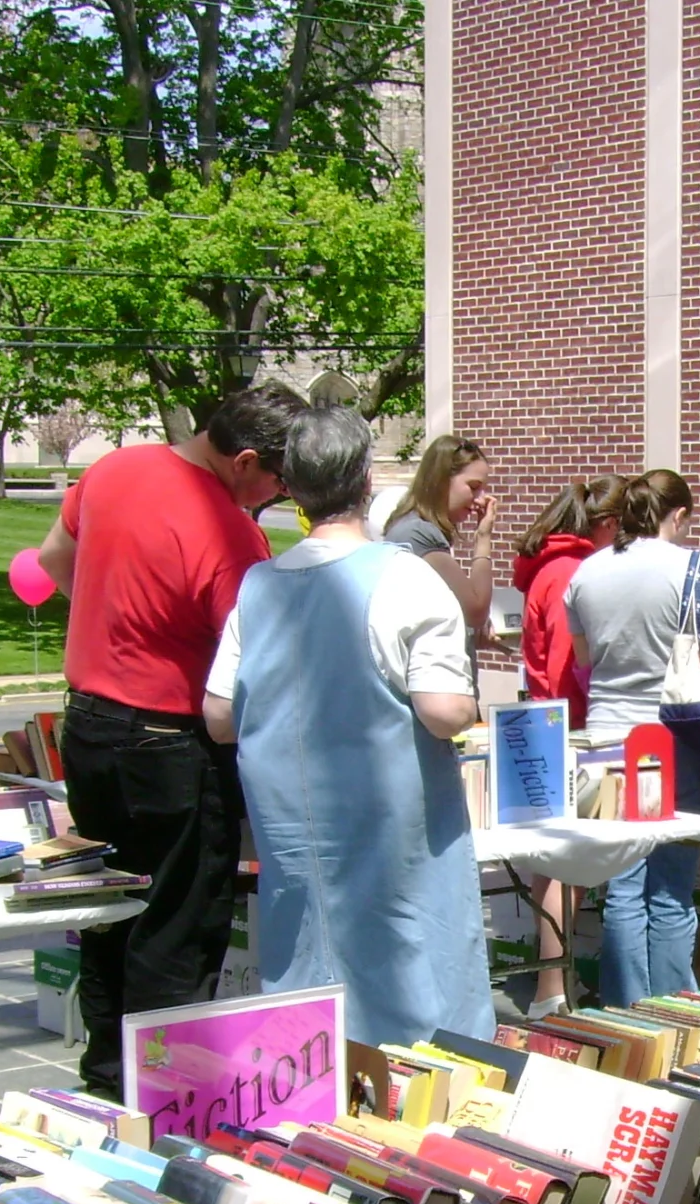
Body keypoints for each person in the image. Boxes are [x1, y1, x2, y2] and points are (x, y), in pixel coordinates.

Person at [36, 382, 304, 1098]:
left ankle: (102, 1081)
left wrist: (112, 615)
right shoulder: (229, 532)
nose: (278, 495)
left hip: (90, 727)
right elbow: (251, 662)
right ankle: (157, 1098)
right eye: (278, 480)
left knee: (109, 910)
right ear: (245, 460)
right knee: (176, 925)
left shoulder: (116, 468)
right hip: (171, 744)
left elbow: (55, 556)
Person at [203, 407, 495, 1046]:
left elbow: (220, 717)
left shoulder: (258, 587)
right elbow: (444, 711)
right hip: (395, 851)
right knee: (418, 1024)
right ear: (366, 481)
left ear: (290, 485)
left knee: (311, 1028)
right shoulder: (406, 578)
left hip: (297, 850)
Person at [568, 469, 700, 1006]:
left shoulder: (586, 574)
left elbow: (584, 662)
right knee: (673, 883)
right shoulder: (691, 567)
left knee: (623, 883)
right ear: (677, 515)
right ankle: (675, 1007)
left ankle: (624, 1007)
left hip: (607, 736)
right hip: (673, 733)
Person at [510, 476, 623, 1016]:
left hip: (545, 722)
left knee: (554, 864)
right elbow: (564, 662)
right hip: (566, 729)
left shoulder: (552, 569)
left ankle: (552, 984)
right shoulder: (569, 574)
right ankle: (551, 991)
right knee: (563, 864)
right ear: (605, 525)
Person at [382, 432, 500, 637]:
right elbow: (476, 611)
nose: (481, 499)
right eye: (473, 487)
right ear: (442, 480)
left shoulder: (411, 527)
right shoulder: (418, 534)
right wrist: (483, 538)